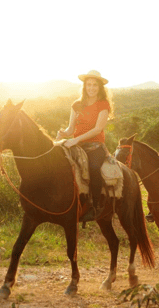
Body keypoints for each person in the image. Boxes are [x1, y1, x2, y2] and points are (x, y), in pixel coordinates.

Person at [56, 70, 114, 222]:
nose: (92, 88)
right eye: (89, 84)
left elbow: (98, 129)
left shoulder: (103, 104)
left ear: (100, 87)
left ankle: (95, 206)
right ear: (84, 86)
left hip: (96, 146)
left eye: (95, 85)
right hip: (78, 145)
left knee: (94, 168)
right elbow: (70, 129)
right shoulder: (76, 105)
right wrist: (63, 133)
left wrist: (75, 140)